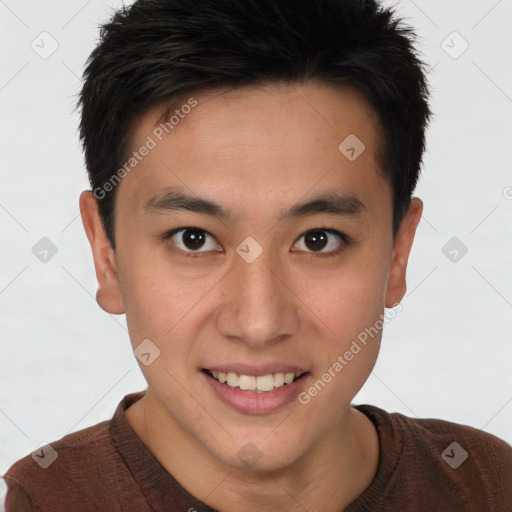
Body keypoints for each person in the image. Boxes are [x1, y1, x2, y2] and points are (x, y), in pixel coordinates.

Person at [3, 0, 512, 510]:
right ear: (106, 254)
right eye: (193, 239)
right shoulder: (47, 499)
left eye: (319, 240)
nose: (259, 323)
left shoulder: (487, 486)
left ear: (398, 253)